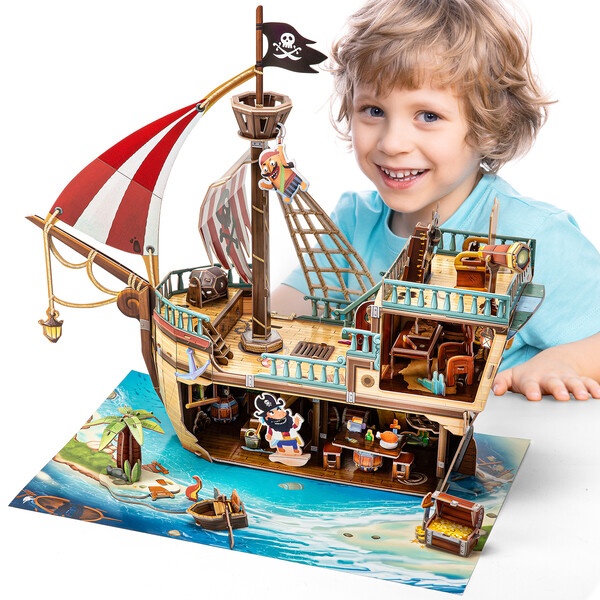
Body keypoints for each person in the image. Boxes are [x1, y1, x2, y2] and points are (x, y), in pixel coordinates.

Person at [271, 0, 600, 402]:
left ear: (488, 126)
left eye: (428, 116)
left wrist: (565, 361)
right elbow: (281, 315)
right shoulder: (352, 220)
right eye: (373, 110)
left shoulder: (536, 236)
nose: (392, 143)